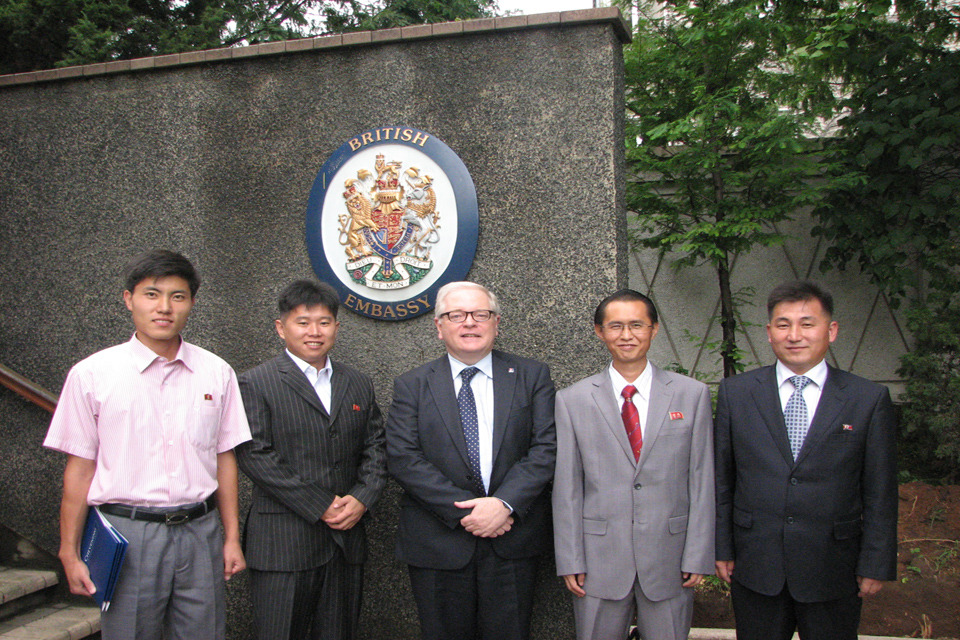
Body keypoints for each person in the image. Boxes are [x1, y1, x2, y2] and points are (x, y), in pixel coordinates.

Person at [43, 249, 251, 640]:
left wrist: (232, 537)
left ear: (191, 303)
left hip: (200, 532)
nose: (164, 307)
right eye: (151, 294)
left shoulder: (217, 372)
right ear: (129, 299)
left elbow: (225, 460)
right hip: (128, 534)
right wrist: (68, 551)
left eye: (178, 296)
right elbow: (80, 469)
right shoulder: (92, 374)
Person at [715, 280, 898, 640]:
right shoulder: (737, 393)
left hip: (833, 567)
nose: (794, 335)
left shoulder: (868, 398)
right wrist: (722, 548)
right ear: (769, 333)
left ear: (831, 331)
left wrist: (875, 561)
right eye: (783, 325)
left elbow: (880, 489)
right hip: (756, 565)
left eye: (807, 324)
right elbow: (723, 479)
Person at [385, 281, 556, 640]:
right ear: (438, 326)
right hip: (437, 542)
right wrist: (469, 512)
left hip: (512, 540)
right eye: (457, 315)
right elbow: (403, 457)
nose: (469, 323)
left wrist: (504, 504)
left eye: (481, 314)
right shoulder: (412, 384)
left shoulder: (532, 376)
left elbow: (545, 448)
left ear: (496, 322)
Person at [552, 289, 715, 640]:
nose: (627, 336)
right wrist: (571, 558)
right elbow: (567, 487)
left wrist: (698, 555)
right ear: (600, 332)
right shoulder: (572, 400)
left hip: (670, 557)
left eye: (637, 325)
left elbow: (701, 480)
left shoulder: (691, 394)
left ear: (654, 329)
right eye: (616, 326)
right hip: (598, 560)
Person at [235, 279, 386, 640]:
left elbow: (376, 447)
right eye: (302, 322)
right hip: (282, 544)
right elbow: (255, 454)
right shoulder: (255, 383)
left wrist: (362, 498)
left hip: (345, 541)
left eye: (324, 322)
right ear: (281, 327)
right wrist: (320, 504)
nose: (314, 331)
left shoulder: (358, 383)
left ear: (336, 327)